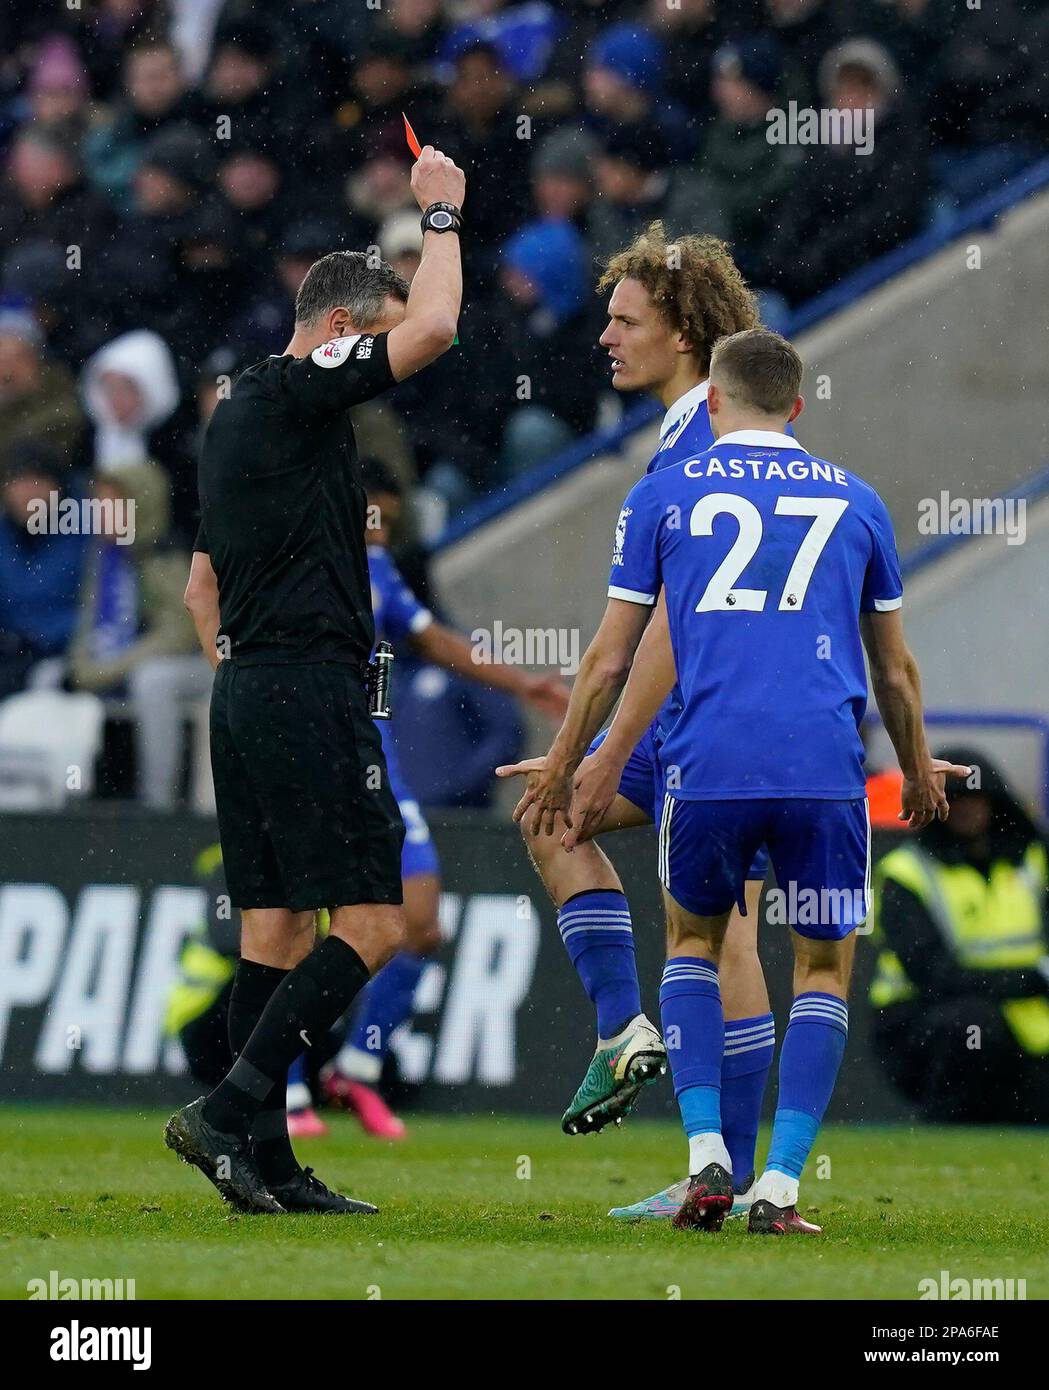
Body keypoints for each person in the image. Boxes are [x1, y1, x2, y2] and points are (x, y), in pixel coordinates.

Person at [560, 328, 969, 1234]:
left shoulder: (663, 492)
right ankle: (777, 1186)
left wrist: (564, 763)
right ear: (796, 407)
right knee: (820, 967)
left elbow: (607, 660)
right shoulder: (858, 503)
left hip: (707, 762)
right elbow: (895, 673)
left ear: (710, 402)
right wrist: (913, 767)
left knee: (692, 950)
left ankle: (707, 1155)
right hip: (824, 767)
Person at [166, 143, 467, 1215]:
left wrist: (248, 682)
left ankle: (266, 1161)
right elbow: (433, 327)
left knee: (273, 934)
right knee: (376, 922)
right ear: (340, 332)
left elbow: (203, 588)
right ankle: (226, 1112)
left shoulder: (243, 418)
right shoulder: (297, 392)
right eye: (370, 343)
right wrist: (438, 216)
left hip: (248, 689)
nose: (384, 366)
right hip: (304, 686)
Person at [498, 224, 774, 1225]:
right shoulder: (690, 429)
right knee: (548, 820)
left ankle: (729, 1177)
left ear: (684, 332)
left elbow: (658, 627)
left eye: (625, 321)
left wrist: (594, 743)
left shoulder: (703, 441)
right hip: (693, 711)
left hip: (718, 718)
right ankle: (623, 1033)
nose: (604, 338)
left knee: (722, 937)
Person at [317, 460, 570, 1138]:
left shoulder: (379, 573)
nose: (378, 532)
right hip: (308, 755)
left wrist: (522, 685)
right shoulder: (297, 560)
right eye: (372, 516)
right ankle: (279, 1088)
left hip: (375, 758)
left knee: (420, 925)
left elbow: (434, 641)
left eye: (388, 522)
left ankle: (355, 1070)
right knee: (296, 922)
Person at [870, 745, 1049, 1123]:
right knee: (973, 1028)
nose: (967, 809)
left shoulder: (1032, 860)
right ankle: (942, 1125)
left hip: (1027, 1019)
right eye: (954, 800)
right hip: (921, 1022)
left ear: (996, 802)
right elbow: (934, 976)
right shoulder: (906, 874)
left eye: (977, 799)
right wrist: (1030, 980)